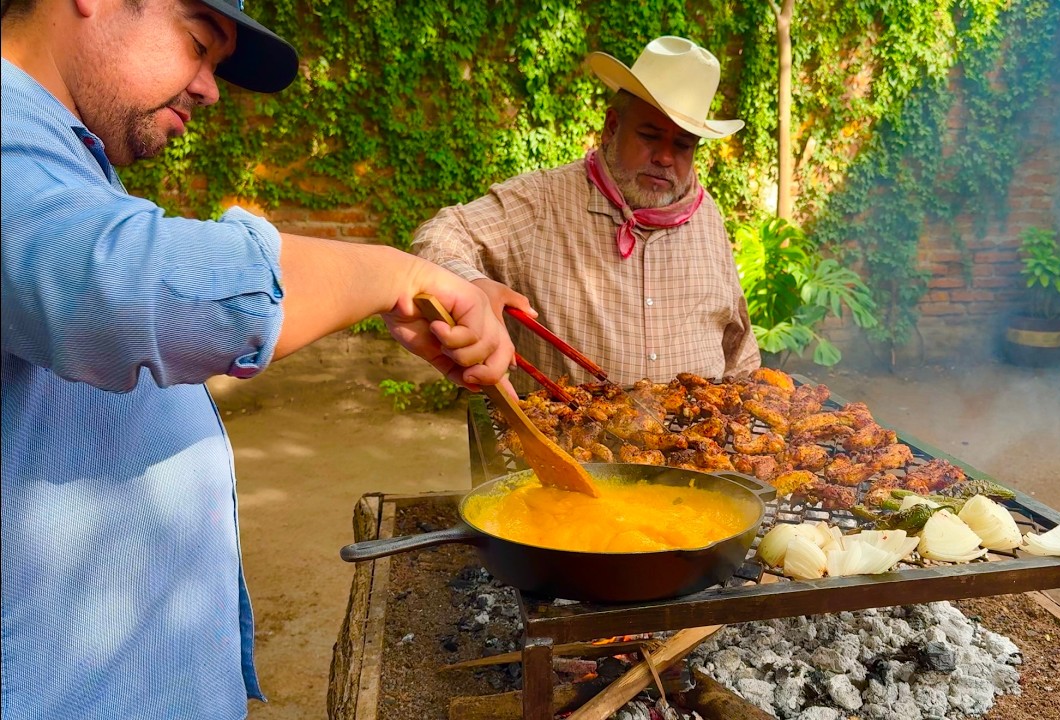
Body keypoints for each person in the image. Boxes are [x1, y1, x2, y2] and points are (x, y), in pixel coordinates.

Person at [0, 0, 515, 717]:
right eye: (197, 43)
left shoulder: (64, 157)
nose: (209, 89)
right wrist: (393, 274)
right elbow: (119, 285)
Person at [413, 36, 761, 395]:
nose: (664, 157)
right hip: (567, 430)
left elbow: (740, 349)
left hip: (697, 430)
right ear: (612, 126)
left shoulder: (706, 215)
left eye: (683, 145)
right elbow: (438, 237)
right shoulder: (541, 201)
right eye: (649, 136)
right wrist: (474, 286)